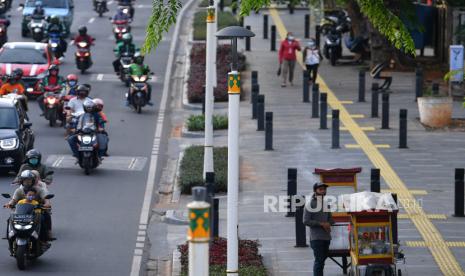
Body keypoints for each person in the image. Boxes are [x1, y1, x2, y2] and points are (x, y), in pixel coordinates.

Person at [4, 170, 52, 241]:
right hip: (22, 211)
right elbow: (13, 200)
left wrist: (46, 204)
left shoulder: (39, 190)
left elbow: (46, 200)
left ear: (33, 181)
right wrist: (9, 204)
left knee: (44, 217)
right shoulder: (19, 190)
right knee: (10, 219)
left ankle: (46, 235)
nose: (27, 182)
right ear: (21, 181)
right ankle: (9, 235)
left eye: (29, 180)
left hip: (37, 210)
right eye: (25, 180)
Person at [303, 182, 335, 276]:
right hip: (316, 238)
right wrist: (321, 224)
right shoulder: (310, 204)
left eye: (324, 189)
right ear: (315, 191)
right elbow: (305, 221)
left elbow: (331, 219)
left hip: (326, 237)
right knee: (319, 260)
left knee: (322, 260)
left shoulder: (326, 204)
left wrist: (328, 223)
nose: (323, 191)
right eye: (320, 189)